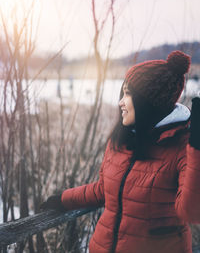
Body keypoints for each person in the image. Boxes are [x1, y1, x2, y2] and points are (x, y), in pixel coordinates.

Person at [40, 50, 200, 253]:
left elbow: (192, 212)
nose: (120, 102)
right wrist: (63, 199)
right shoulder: (123, 139)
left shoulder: (182, 146)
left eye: (128, 94)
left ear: (148, 101)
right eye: (121, 93)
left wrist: (196, 149)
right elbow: (103, 190)